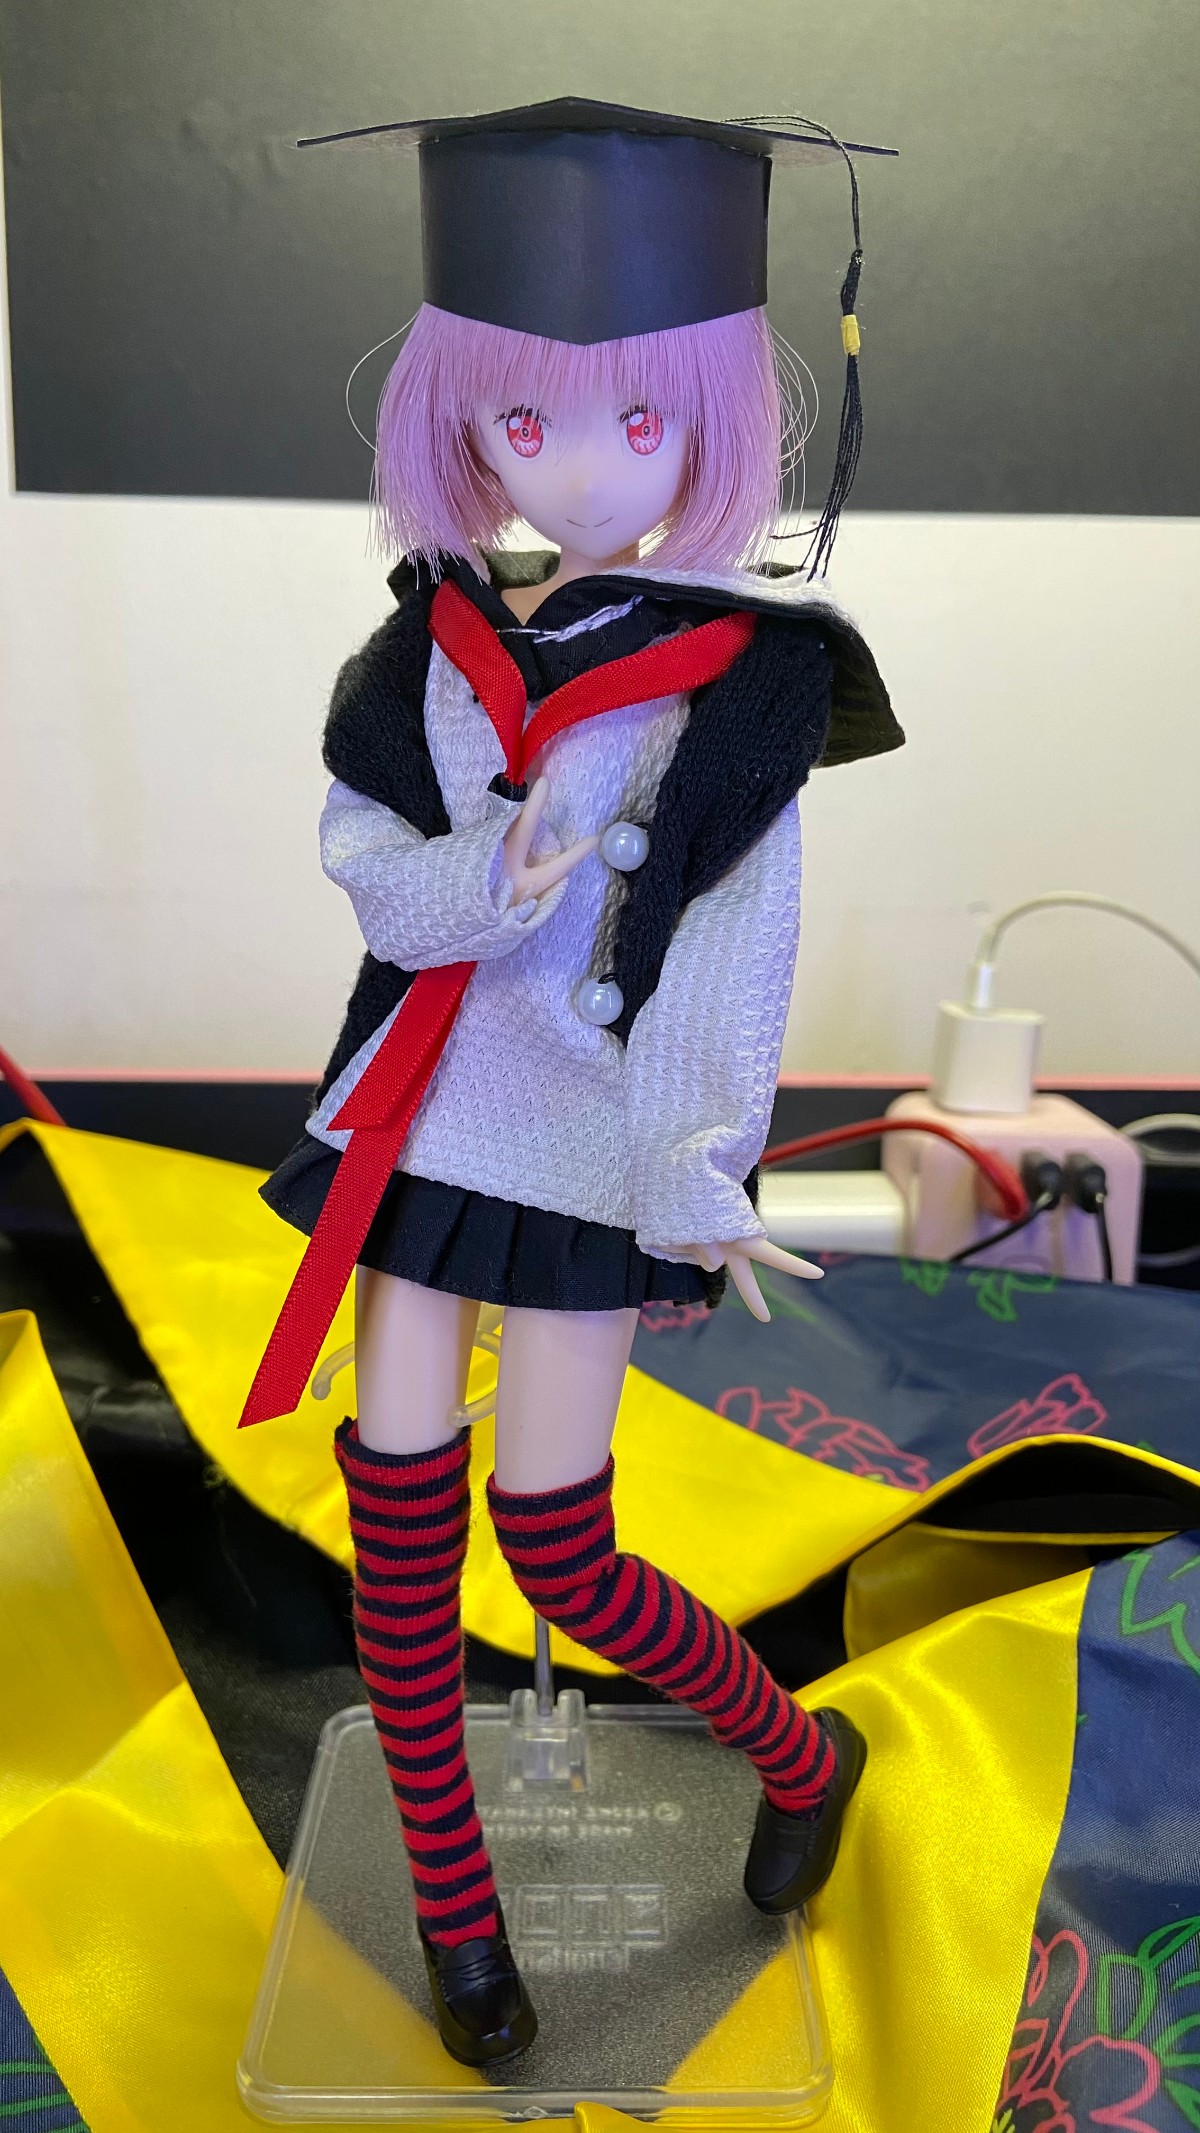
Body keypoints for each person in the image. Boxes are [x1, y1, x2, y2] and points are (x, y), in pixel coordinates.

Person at [249, 98, 903, 2066]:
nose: (580, 465)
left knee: (558, 1541)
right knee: (393, 1529)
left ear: (718, 425)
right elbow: (367, 865)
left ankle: (799, 1748)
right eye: (524, 419)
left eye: (641, 420)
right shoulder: (425, 650)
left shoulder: (744, 682)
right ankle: (462, 1928)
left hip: (587, 1146)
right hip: (423, 1112)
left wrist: (698, 1173)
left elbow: (733, 953)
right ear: (462, 419)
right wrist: (489, 877)